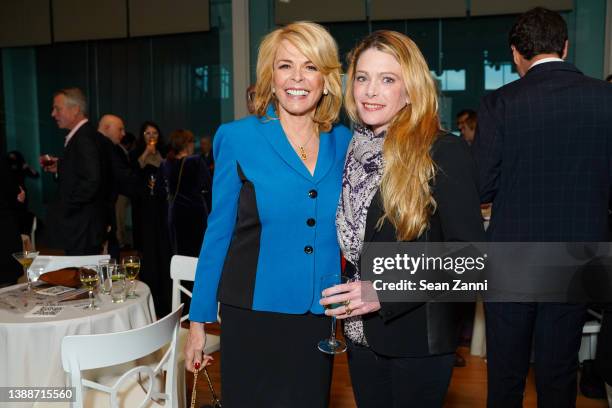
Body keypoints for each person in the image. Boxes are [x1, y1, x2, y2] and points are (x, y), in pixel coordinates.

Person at [184, 21, 350, 407]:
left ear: (326, 80)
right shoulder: (238, 136)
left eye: (310, 66)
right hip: (253, 311)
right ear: (270, 78)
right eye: (285, 65)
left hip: (318, 312)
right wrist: (198, 322)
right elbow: (218, 232)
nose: (297, 77)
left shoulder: (343, 141)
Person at [320, 30, 484, 407]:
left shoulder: (443, 151)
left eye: (387, 79)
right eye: (362, 78)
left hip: (417, 343)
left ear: (410, 90)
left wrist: (383, 290)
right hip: (360, 336)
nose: (370, 91)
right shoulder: (351, 152)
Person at [472, 8, 612, 407]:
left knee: (506, 373)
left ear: (516, 53)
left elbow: (482, 185)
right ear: (565, 47)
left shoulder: (501, 102)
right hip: (580, 254)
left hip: (512, 254)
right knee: (559, 371)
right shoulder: (607, 99)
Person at [42, 88, 112, 255]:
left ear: (75, 110)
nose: (53, 114)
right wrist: (60, 169)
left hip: (82, 227)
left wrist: (67, 206)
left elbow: (92, 181)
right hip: (84, 226)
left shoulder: (83, 138)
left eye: (57, 108)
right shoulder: (84, 135)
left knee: (83, 278)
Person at [159, 129, 211, 257]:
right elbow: (207, 186)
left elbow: (160, 190)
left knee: (179, 254)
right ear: (187, 144)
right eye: (193, 141)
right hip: (194, 215)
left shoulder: (165, 164)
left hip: (174, 214)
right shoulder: (195, 161)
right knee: (197, 255)